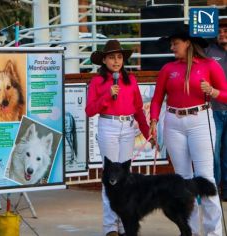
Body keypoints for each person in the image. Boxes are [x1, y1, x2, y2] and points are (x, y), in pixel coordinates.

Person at [149, 25, 227, 235]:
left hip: (201, 120)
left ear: (188, 43)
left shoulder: (210, 65)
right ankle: (189, 231)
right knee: (182, 180)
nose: (172, 46)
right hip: (173, 122)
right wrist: (154, 120)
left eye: (175, 42)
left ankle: (214, 232)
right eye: (171, 43)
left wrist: (212, 91)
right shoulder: (168, 69)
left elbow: (225, 94)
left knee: (205, 177)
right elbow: (157, 99)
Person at [86, 40, 151, 236]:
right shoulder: (98, 82)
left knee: (125, 177)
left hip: (129, 126)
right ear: (104, 60)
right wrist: (107, 94)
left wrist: (148, 133)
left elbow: (139, 109)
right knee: (110, 177)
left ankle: (124, 225)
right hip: (108, 125)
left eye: (119, 57)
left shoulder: (131, 79)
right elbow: (90, 110)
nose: (116, 61)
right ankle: (110, 227)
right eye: (112, 57)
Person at [205, 18, 227, 199]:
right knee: (214, 152)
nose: (222, 34)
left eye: (226, 31)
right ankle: (214, 191)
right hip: (214, 110)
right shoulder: (209, 51)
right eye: (219, 31)